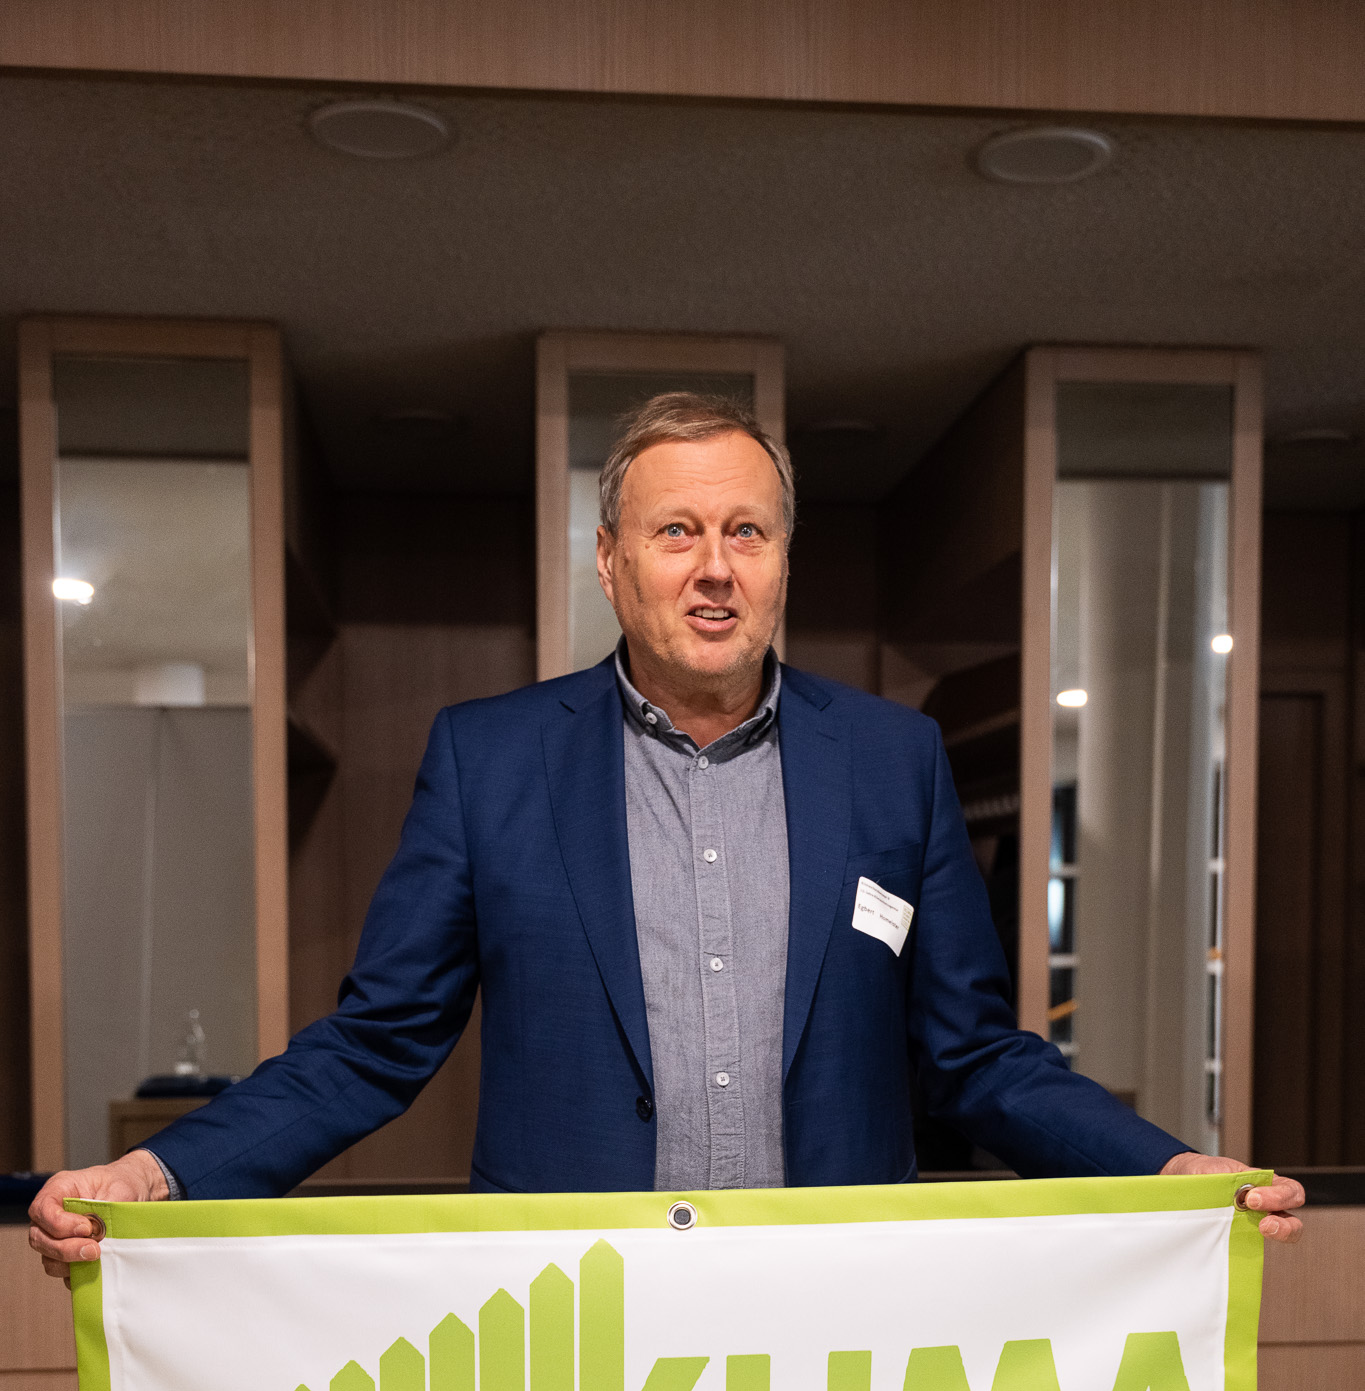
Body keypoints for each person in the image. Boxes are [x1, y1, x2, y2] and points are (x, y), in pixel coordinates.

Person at [29, 392, 1303, 1274]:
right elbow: (374, 1045)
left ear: (784, 559)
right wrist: (160, 1175)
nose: (714, 566)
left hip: (839, 1310)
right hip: (575, 1314)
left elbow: (975, 1057)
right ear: (612, 563)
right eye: (676, 531)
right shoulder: (490, 761)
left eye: (747, 531)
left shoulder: (892, 761)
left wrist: (1164, 1167)